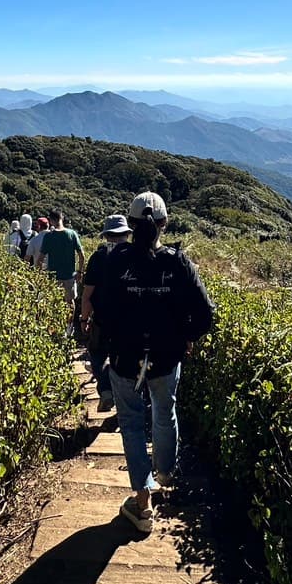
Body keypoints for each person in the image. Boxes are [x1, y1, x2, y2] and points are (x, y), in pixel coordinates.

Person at [96, 191, 215, 534]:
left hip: (124, 359)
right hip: (166, 358)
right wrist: (183, 336)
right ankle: (164, 473)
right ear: (164, 224)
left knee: (132, 425)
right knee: (165, 412)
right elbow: (205, 315)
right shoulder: (178, 263)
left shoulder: (116, 262)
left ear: (130, 225)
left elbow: (103, 312)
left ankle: (143, 505)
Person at [80, 214, 131, 411]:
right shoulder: (136, 256)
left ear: (106, 236)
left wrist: (84, 319)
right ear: (127, 234)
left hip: (102, 319)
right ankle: (124, 402)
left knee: (97, 355)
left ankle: (106, 390)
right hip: (129, 322)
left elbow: (87, 295)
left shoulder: (98, 258)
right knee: (126, 362)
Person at [33, 209, 84, 319]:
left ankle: (55, 328)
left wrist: (39, 276)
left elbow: (40, 260)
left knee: (53, 302)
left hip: (53, 277)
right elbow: (81, 255)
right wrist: (79, 271)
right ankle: (69, 328)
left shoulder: (49, 237)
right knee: (70, 303)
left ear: (51, 221)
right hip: (69, 276)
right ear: (62, 218)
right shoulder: (72, 234)